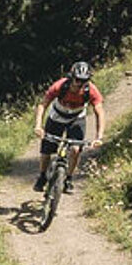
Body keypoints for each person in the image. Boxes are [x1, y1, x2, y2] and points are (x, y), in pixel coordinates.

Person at [33, 62, 103, 194]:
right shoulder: (60, 86)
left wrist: (99, 137)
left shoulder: (91, 90)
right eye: (77, 80)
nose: (79, 83)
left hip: (76, 119)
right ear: (71, 77)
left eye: (83, 81)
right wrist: (38, 126)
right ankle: (42, 176)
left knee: (75, 149)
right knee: (47, 149)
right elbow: (43, 105)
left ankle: (68, 179)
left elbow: (99, 112)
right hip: (56, 117)